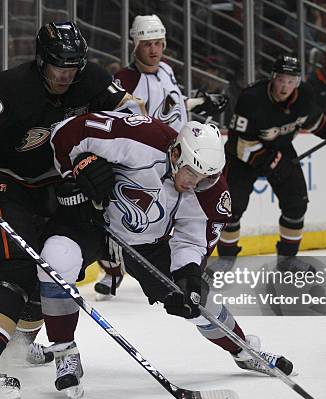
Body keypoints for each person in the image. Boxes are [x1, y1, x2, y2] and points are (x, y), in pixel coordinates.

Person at [35, 111, 293, 399]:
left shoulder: (211, 192)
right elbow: (66, 132)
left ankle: (243, 349)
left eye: (205, 177)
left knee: (197, 299)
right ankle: (64, 352)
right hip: (93, 217)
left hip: (147, 241)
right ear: (178, 152)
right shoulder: (142, 137)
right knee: (56, 257)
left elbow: (191, 240)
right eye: (192, 173)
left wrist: (187, 277)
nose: (195, 182)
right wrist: (78, 168)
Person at [0, 21, 135, 399]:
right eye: (58, 65)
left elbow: (133, 117)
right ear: (41, 60)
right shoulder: (13, 87)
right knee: (15, 269)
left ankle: (17, 345)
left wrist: (102, 160)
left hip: (52, 189)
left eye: (73, 65)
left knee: (48, 268)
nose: (67, 73)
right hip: (0, 188)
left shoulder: (91, 80)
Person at [92, 14, 228, 301]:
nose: (154, 50)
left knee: (184, 218)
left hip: (182, 161)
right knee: (136, 217)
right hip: (147, 160)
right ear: (135, 44)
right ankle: (112, 269)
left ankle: (187, 268)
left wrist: (201, 102)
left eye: (158, 43)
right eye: (147, 44)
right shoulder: (125, 79)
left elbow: (172, 106)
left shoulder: (166, 70)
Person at [218, 55, 326, 269]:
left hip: (281, 148)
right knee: (232, 209)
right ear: (273, 78)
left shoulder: (304, 96)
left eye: (291, 81)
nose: (285, 86)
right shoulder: (251, 97)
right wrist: (272, 161)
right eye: (281, 79)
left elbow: (313, 120)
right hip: (242, 157)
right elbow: (239, 143)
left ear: (298, 82)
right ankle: (225, 261)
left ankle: (287, 261)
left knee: (296, 203)